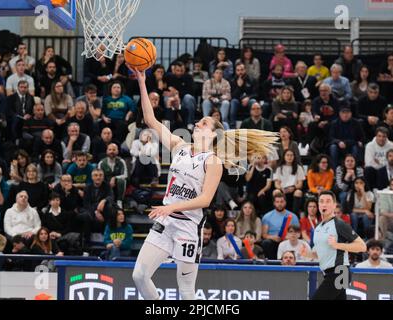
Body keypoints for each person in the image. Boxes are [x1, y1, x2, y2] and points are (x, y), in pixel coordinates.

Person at [130, 66, 277, 300]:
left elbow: (205, 199)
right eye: (199, 121)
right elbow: (150, 119)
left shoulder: (213, 161)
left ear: (213, 134)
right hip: (166, 222)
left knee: (186, 290)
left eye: (204, 123)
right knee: (139, 275)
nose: (198, 123)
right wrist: (141, 82)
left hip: (188, 225)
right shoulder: (179, 146)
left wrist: (170, 206)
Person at [300, 191, 367, 300]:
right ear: (318, 205)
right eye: (321, 201)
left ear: (334, 205)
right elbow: (322, 254)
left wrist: (337, 245)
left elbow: (362, 246)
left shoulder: (339, 224)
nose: (324, 204)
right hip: (329, 273)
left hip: (340, 272)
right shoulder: (317, 228)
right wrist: (307, 254)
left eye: (328, 201)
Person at [261, 193, 300, 259]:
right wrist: (273, 237)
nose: (279, 204)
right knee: (266, 243)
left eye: (282, 202)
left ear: (285, 202)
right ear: (274, 203)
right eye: (277, 202)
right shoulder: (267, 216)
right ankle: (272, 264)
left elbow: (298, 232)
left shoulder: (293, 216)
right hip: (273, 241)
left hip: (288, 240)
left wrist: (289, 237)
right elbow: (264, 235)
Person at [164, 61, 197, 131]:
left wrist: (177, 92)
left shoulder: (188, 77)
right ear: (173, 70)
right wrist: (173, 94)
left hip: (185, 102)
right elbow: (164, 91)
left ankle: (190, 124)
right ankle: (168, 125)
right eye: (177, 70)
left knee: (188, 97)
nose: (179, 73)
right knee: (167, 99)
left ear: (184, 70)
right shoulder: (169, 77)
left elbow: (191, 91)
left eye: (181, 70)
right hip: (174, 101)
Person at [273, 149, 305, 214]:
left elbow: (300, 184)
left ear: (294, 157)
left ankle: (295, 214)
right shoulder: (279, 168)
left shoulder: (298, 168)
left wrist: (294, 188)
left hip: (293, 189)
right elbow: (276, 184)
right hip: (282, 190)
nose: (289, 157)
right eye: (287, 155)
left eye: (291, 155)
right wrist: (281, 188)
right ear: (284, 156)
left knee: (298, 192)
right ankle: (277, 212)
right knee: (276, 192)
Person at [229, 62, 257, 129]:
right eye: (238, 70)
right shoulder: (232, 80)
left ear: (245, 70)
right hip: (237, 101)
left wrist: (248, 98)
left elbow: (256, 94)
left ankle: (253, 126)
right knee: (233, 101)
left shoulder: (252, 79)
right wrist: (239, 86)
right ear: (235, 71)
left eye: (242, 70)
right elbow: (232, 96)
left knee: (253, 101)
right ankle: (232, 127)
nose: (240, 72)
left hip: (248, 101)